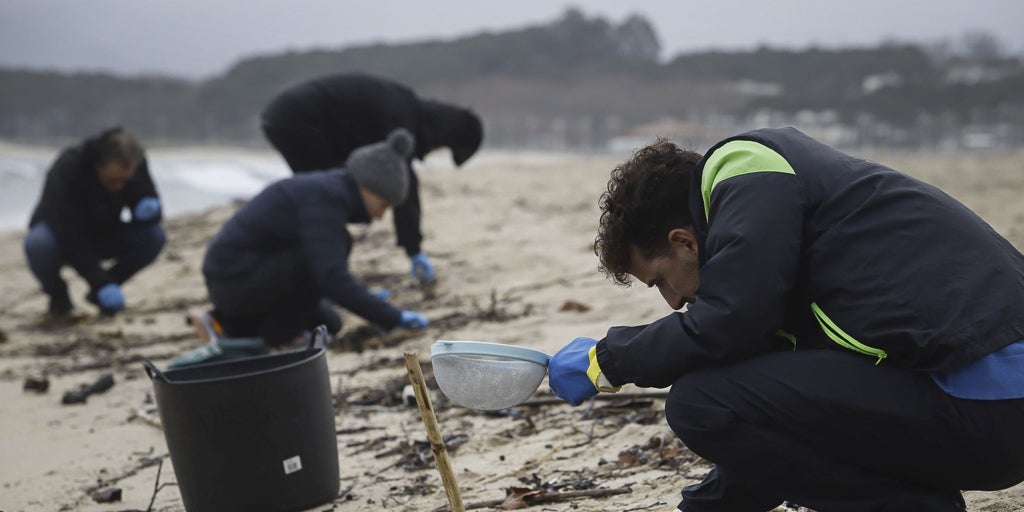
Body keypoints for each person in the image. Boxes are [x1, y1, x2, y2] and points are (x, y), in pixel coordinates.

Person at [546, 127, 1024, 511]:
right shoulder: (787, 242)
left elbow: (728, 324)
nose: (672, 302)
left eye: (660, 280)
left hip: (988, 405)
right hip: (988, 417)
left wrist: (607, 359)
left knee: (698, 401)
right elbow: (778, 423)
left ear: (684, 242)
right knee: (725, 392)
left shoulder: (749, 172)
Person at [198, 128, 430, 349]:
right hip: (231, 282)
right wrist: (392, 317)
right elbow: (329, 275)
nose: (380, 216)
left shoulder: (328, 191)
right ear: (366, 186)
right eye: (383, 205)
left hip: (247, 277)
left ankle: (229, 327)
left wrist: (364, 298)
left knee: (329, 323)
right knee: (324, 256)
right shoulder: (324, 200)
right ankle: (270, 336)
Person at [260, 72, 484, 283]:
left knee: (326, 200)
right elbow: (404, 185)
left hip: (288, 115)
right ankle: (319, 280)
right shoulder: (401, 115)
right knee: (324, 201)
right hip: (297, 117)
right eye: (441, 147)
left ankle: (315, 274)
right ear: (445, 133)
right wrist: (414, 249)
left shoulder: (405, 107)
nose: (432, 151)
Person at [24, 127, 166, 318]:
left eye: (125, 181)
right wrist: (100, 282)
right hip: (61, 235)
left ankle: (103, 292)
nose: (120, 187)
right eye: (114, 181)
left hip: (106, 231)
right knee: (38, 245)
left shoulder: (134, 163)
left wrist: (148, 208)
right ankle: (59, 298)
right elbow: (70, 234)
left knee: (154, 236)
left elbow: (146, 196)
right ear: (99, 165)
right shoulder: (69, 167)